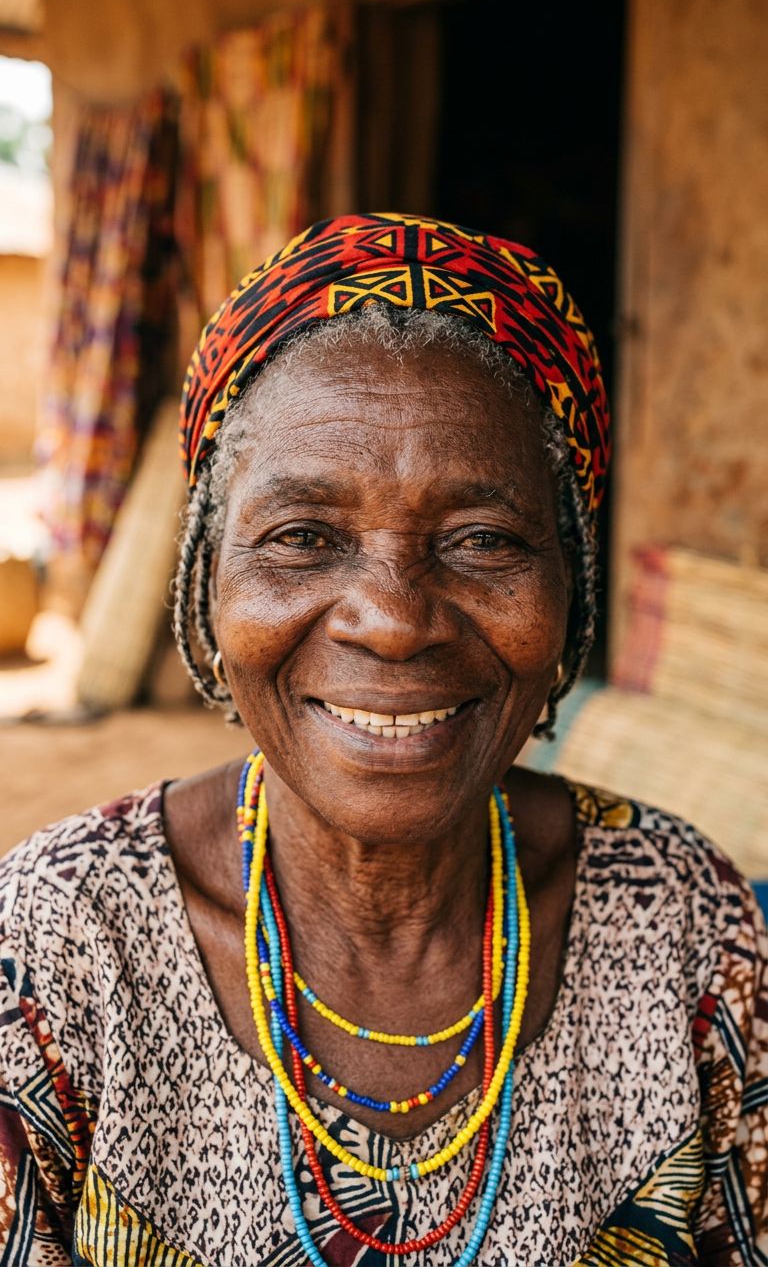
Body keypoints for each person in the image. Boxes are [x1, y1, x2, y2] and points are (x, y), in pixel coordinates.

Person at [0, 213, 765, 1266]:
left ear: (571, 595)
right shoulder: (58, 941)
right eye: (304, 536)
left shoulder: (685, 925)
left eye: (484, 539)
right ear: (206, 588)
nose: (394, 619)